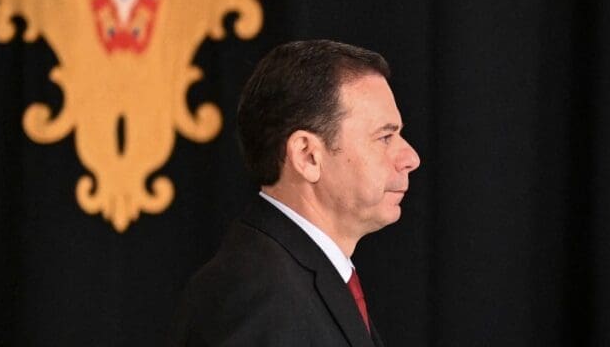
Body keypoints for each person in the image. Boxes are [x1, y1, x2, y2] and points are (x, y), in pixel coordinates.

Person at [169, 40, 421, 346]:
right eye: (385, 137)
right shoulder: (258, 291)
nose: (411, 158)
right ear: (307, 156)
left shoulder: (288, 276)